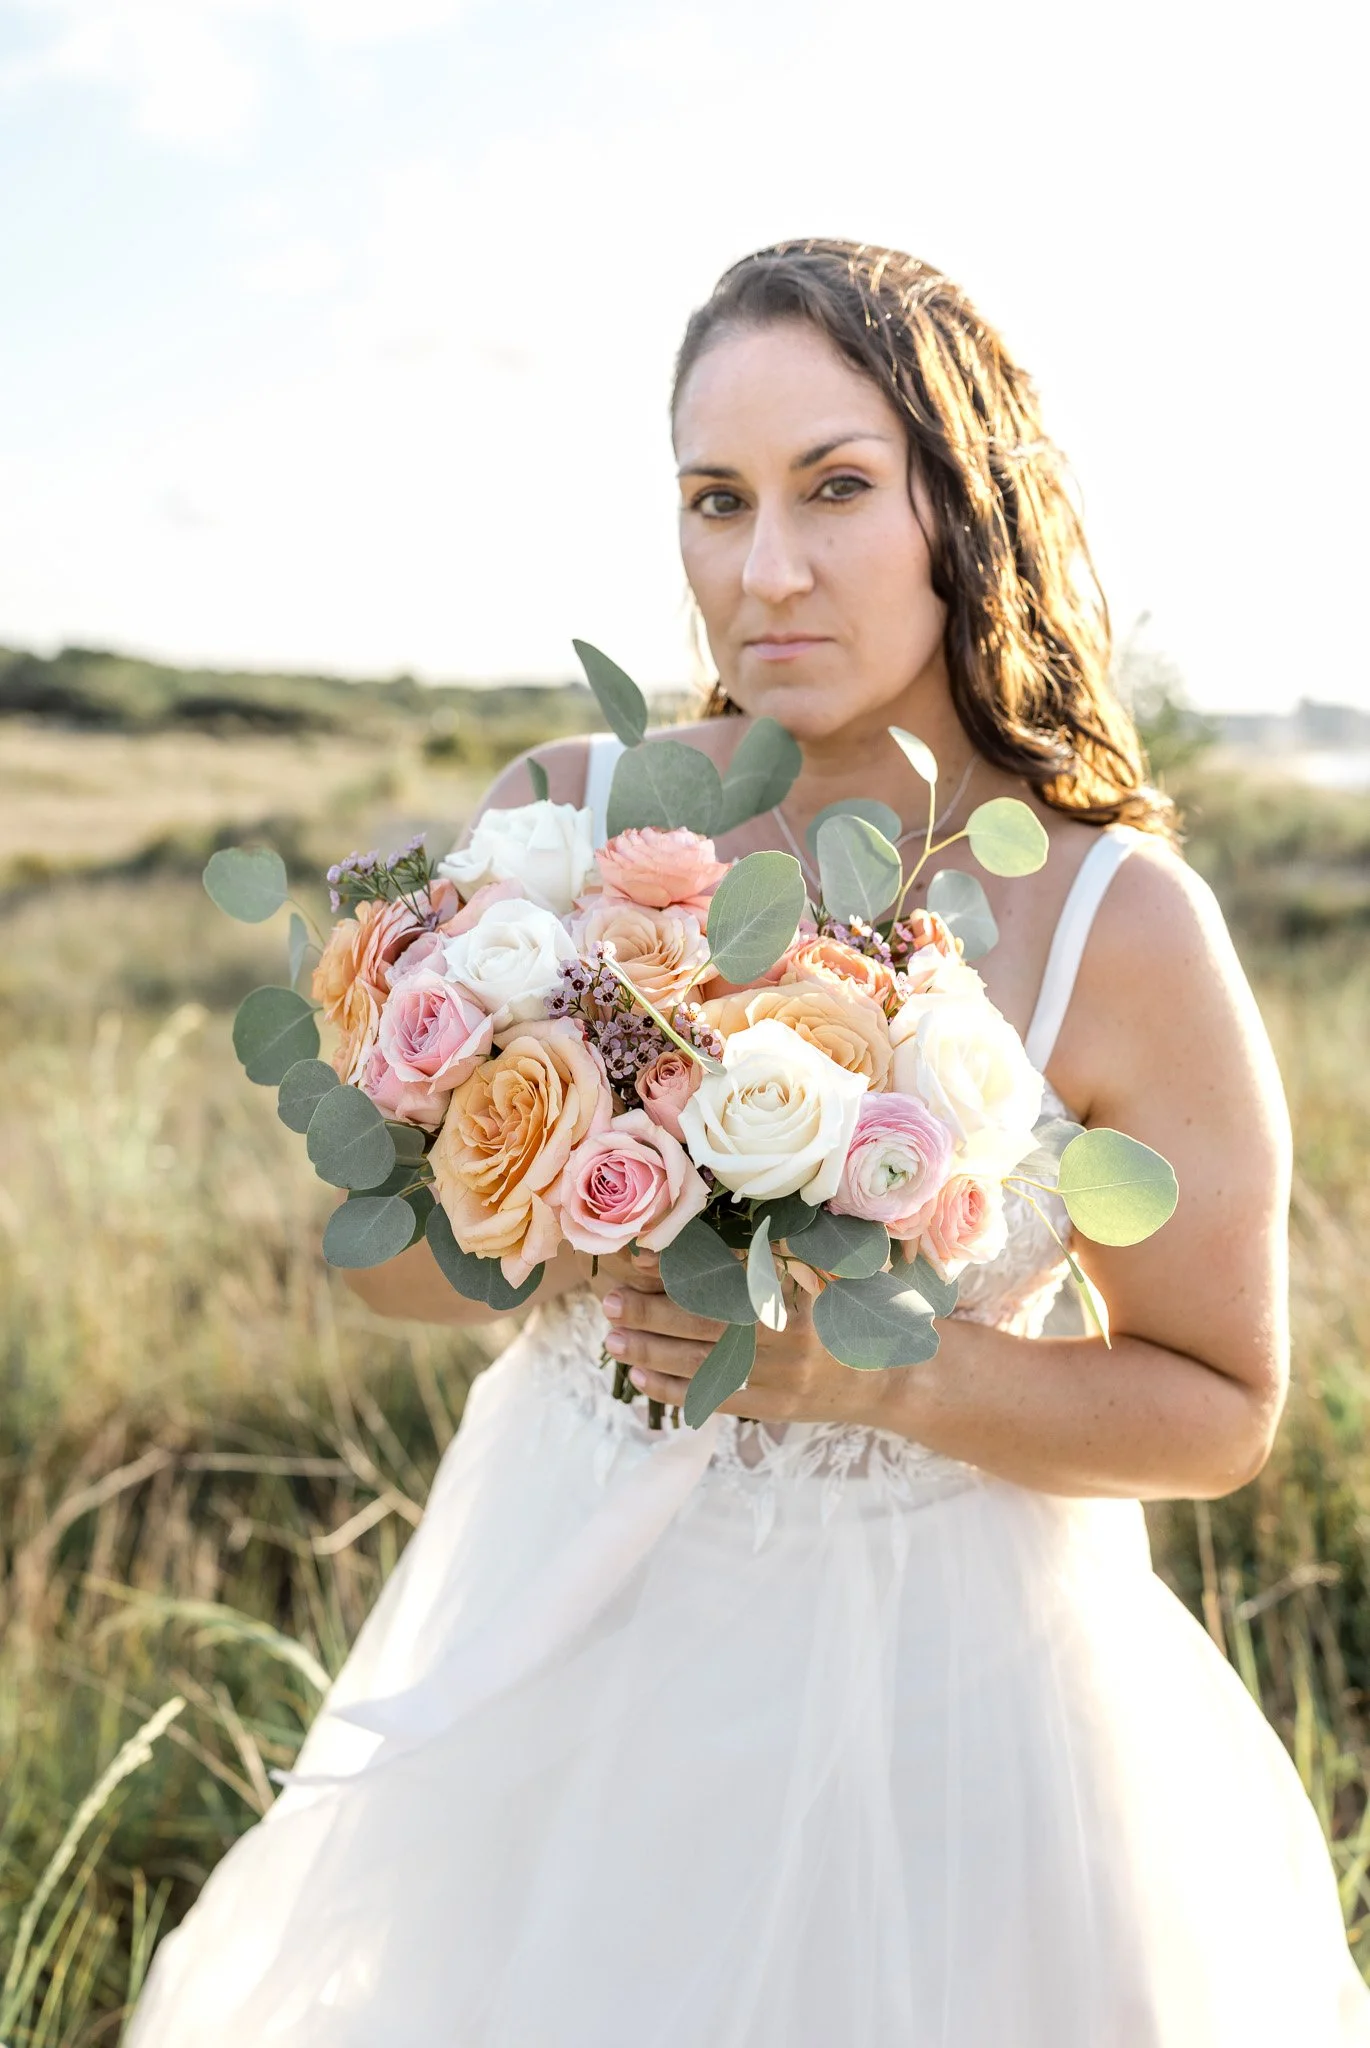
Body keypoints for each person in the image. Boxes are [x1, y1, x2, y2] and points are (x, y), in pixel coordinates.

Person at [127, 240, 1370, 2045]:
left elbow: (1222, 1411)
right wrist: (560, 1199)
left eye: (836, 489)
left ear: (964, 506)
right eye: (716, 500)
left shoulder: (1122, 923)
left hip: (949, 1708)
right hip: (561, 1652)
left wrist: (873, 1379)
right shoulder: (567, 820)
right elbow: (394, 1268)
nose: (761, 569)